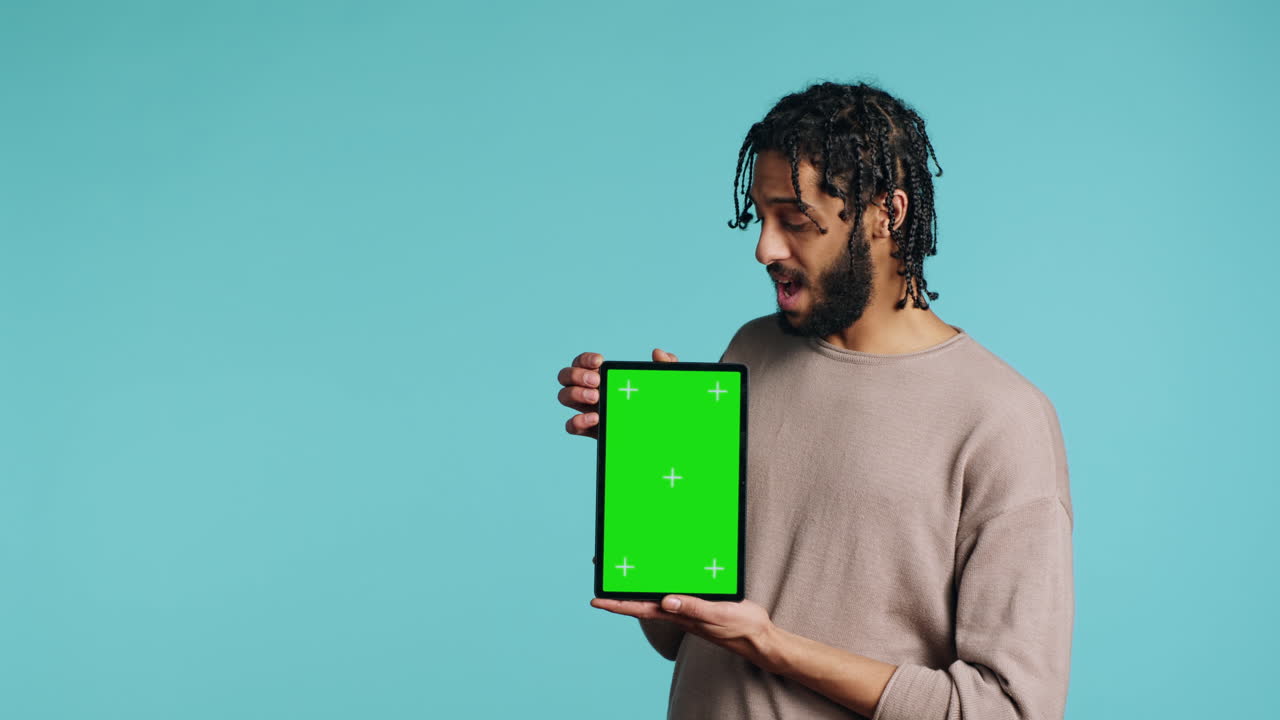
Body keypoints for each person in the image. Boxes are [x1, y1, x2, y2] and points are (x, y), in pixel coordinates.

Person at [555, 81, 1073, 720]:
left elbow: (1010, 710)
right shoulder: (751, 350)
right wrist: (653, 468)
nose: (764, 248)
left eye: (795, 220)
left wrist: (771, 644)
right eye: (760, 217)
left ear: (888, 214)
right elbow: (679, 634)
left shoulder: (1003, 419)